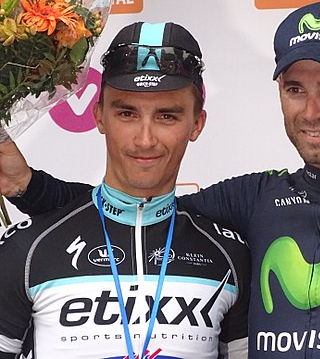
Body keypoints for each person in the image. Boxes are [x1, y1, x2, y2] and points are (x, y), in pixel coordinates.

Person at [0, 1, 320, 358]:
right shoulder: (258, 197)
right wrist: (30, 187)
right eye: (295, 89)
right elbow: (136, 207)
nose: (312, 110)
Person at [0, 22, 250, 359]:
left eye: (167, 116)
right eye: (127, 113)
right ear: (99, 116)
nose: (144, 139)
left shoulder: (229, 256)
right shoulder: (25, 250)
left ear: (197, 124)